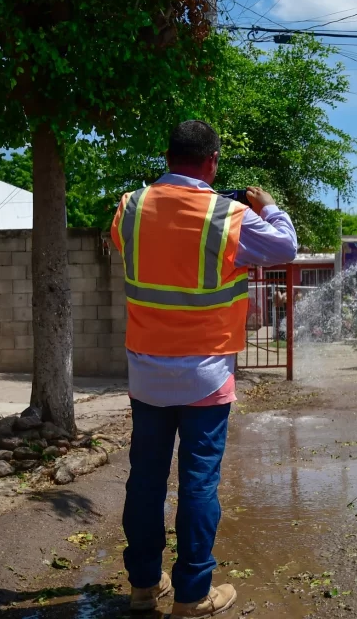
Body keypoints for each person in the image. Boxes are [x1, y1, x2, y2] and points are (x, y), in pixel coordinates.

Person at [110, 120, 298, 617]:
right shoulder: (229, 215)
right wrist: (267, 206)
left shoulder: (130, 207)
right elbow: (285, 247)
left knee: (145, 480)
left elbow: (128, 248)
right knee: (197, 482)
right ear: (212, 161)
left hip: (146, 372)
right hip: (206, 374)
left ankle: (143, 588)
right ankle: (193, 595)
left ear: (168, 156)